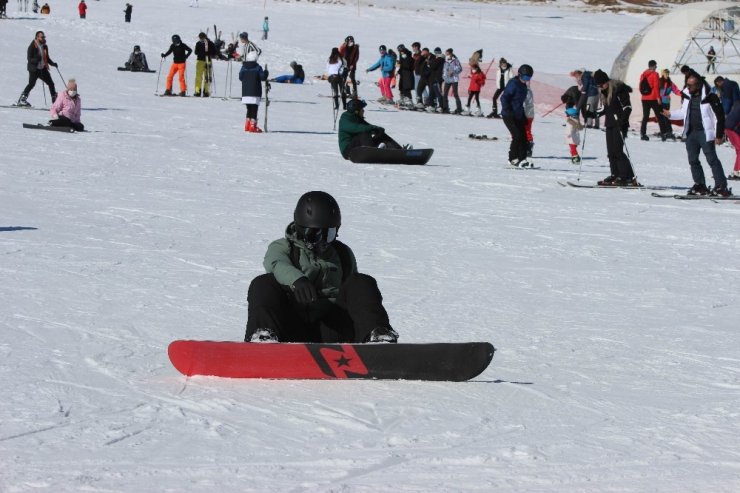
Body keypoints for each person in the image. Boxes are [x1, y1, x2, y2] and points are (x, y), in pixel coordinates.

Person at [244, 191, 398, 344]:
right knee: (263, 283)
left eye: (329, 234)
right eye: (314, 234)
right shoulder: (284, 247)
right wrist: (297, 280)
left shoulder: (342, 254)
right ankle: (263, 337)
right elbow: (276, 262)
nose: (322, 241)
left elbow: (355, 296)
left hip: (334, 329)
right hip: (293, 328)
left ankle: (377, 335)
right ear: (300, 229)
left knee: (361, 282)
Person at [663, 74, 730, 196]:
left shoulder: (711, 97)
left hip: (705, 133)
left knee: (712, 160)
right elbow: (683, 113)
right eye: (687, 85)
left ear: (698, 85)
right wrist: (670, 114)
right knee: (693, 160)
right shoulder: (688, 96)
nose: (687, 88)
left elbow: (719, 116)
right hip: (691, 133)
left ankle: (721, 186)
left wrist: (719, 135)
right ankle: (700, 185)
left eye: (690, 85)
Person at [586, 70, 638, 186]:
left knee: (618, 151)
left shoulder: (619, 89)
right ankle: (615, 174)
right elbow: (604, 109)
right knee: (611, 152)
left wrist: (622, 120)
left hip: (620, 124)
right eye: (598, 85)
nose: (600, 87)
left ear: (607, 81)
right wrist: (592, 114)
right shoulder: (604, 92)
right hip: (610, 124)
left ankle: (627, 177)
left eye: (601, 84)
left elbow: (627, 107)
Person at [337, 99, 409, 160]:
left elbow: (367, 126)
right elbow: (355, 128)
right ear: (356, 111)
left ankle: (401, 151)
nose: (363, 111)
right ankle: (375, 152)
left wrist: (377, 130)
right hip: (348, 151)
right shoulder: (345, 118)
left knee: (380, 134)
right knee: (364, 133)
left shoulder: (357, 118)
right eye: (362, 109)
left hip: (358, 147)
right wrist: (372, 128)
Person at [500, 64, 534, 168]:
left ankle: (522, 159)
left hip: (518, 114)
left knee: (524, 137)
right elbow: (504, 98)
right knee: (517, 136)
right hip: (508, 115)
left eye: (528, 78)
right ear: (519, 75)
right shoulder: (513, 83)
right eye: (524, 77)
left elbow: (519, 103)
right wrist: (507, 109)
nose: (526, 80)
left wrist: (523, 115)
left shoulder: (524, 86)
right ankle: (512, 159)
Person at [17, 31, 57, 107]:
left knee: (51, 83)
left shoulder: (44, 46)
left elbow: (46, 58)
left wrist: (52, 63)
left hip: (43, 68)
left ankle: (54, 101)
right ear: (37, 37)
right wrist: (36, 59)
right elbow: (29, 59)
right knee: (31, 84)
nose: (43, 38)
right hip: (34, 69)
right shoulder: (32, 46)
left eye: (44, 37)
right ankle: (22, 99)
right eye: (42, 37)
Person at [638, 60, 671, 141]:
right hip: (653, 98)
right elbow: (656, 87)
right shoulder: (655, 74)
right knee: (659, 116)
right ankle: (664, 133)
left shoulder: (643, 74)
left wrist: (644, 94)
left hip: (644, 98)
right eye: (656, 66)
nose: (656, 67)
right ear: (652, 66)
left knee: (645, 117)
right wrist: (658, 98)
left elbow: (640, 86)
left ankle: (643, 134)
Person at [239, 50, 268, 133]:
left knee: (249, 108)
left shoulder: (243, 67)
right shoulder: (258, 67)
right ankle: (252, 125)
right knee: (254, 109)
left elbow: (240, 77)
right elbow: (263, 77)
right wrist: (266, 73)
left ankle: (247, 124)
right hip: (255, 91)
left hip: (245, 92)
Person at [441, 48, 463, 114]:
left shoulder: (455, 60)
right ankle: (445, 108)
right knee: (445, 94)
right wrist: (444, 77)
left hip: (454, 79)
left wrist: (453, 72)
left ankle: (459, 109)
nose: (446, 54)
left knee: (455, 94)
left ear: (450, 53)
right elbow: (444, 70)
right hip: (447, 80)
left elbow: (460, 68)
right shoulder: (445, 61)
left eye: (446, 53)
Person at [194, 32, 215, 97]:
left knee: (207, 77)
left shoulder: (210, 43)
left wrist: (208, 53)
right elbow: (196, 52)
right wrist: (203, 53)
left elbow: (214, 51)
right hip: (200, 61)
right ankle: (198, 91)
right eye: (200, 38)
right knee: (198, 77)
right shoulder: (198, 43)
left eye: (202, 38)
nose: (201, 39)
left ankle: (206, 91)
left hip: (208, 61)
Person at [326, 47, 347, 111]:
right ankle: (344, 106)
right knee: (342, 91)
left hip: (332, 77)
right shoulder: (341, 58)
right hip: (339, 77)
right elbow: (345, 65)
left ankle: (336, 106)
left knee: (335, 91)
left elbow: (327, 68)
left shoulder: (329, 59)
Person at [395, 44, 415, 109]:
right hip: (403, 73)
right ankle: (403, 99)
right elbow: (403, 63)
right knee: (401, 87)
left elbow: (407, 64)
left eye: (400, 50)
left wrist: (401, 64)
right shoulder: (402, 54)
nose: (400, 52)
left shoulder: (406, 54)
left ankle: (409, 101)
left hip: (407, 74)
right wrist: (399, 71)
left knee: (406, 87)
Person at [725, 100, 740, 180]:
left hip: (731, 128)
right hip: (731, 128)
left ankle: (737, 170)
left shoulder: (737, 104)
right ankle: (738, 171)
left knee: (739, 150)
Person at [524, 82, 535, 157]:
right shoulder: (529, 90)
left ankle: (527, 148)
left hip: (525, 114)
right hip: (530, 114)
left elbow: (524, 103)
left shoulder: (525, 91)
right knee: (528, 131)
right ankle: (528, 147)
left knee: (525, 131)